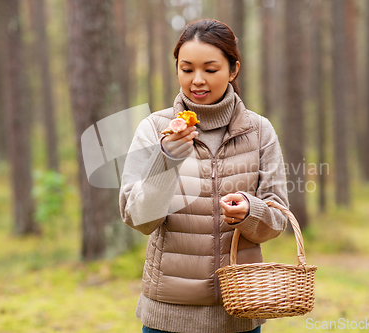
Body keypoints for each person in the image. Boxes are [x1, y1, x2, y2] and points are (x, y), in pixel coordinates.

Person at [119, 18, 289, 333]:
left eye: (210, 70)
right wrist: (167, 157)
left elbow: (277, 219)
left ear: (233, 69)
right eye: (187, 69)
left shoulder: (259, 130)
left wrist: (251, 212)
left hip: (240, 309)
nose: (197, 80)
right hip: (168, 318)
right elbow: (139, 219)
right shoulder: (155, 129)